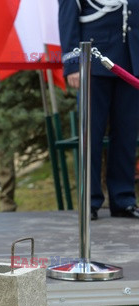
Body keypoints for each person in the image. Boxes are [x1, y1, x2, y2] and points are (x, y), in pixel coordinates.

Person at [59, 1, 139, 220]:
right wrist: (73, 63)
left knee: (126, 134)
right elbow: (68, 14)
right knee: (90, 135)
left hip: (131, 58)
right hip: (94, 59)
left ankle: (123, 199)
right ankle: (90, 201)